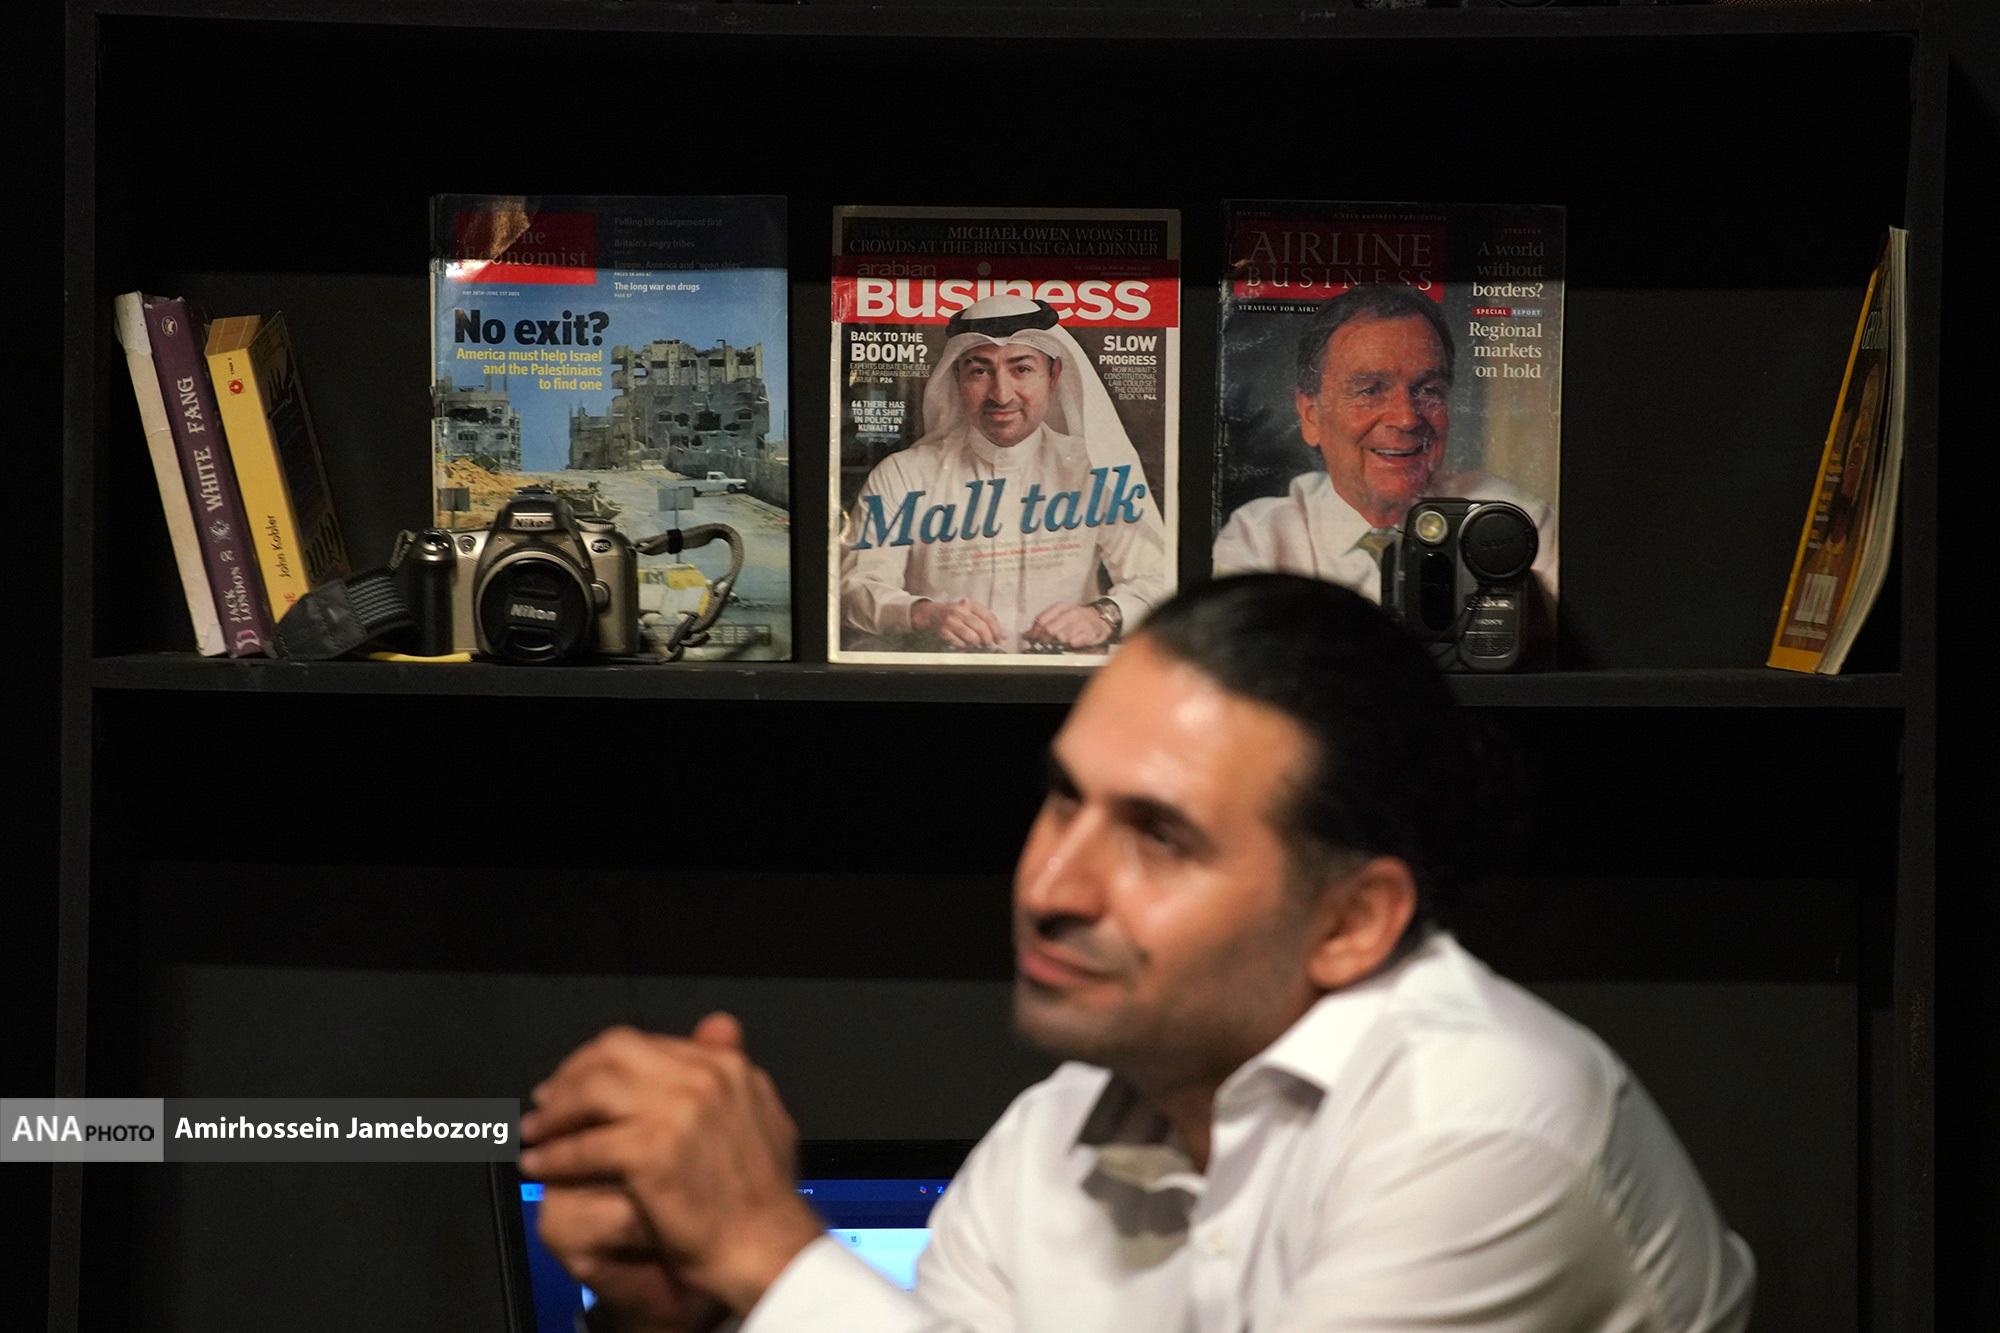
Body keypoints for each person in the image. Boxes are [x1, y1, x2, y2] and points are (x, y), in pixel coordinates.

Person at [521, 575, 1755, 1333]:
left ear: (1351, 922)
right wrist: (683, 1315)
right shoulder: (1047, 1142)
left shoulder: (1478, 1123)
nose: (1050, 887)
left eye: (1158, 838)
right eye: (1063, 800)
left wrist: (766, 1254)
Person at [839, 294, 1171, 654]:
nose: (1001, 395)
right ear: (957, 378)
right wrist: (923, 614)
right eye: (980, 371)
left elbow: (1161, 580)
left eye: (1021, 369)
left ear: (1054, 375)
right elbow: (853, 588)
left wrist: (1103, 616)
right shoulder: (903, 475)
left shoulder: (1096, 469)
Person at [1212, 285, 1559, 606]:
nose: (1406, 418)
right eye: (1371, 390)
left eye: (1429, 390)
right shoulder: (1259, 541)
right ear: (1311, 416)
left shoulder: (1512, 523)